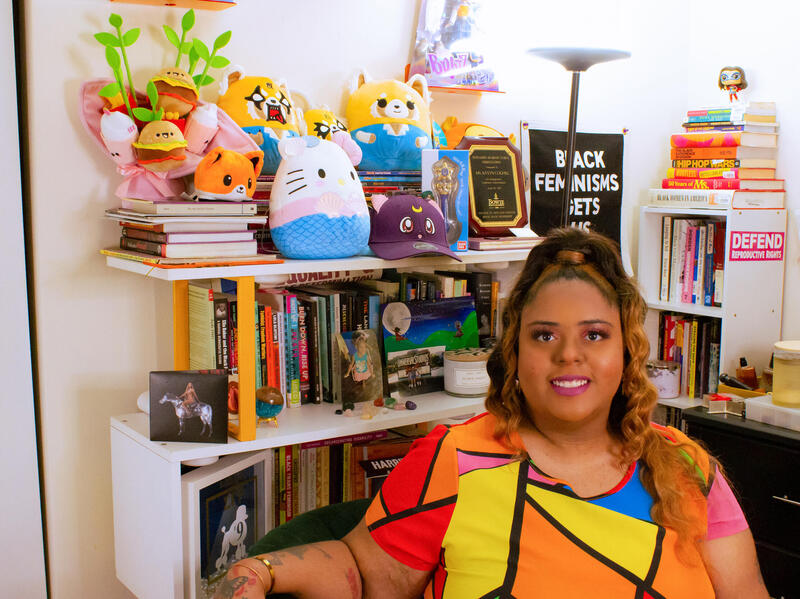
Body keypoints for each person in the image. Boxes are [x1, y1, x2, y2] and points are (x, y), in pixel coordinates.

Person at [214, 228, 768, 599]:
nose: (568, 354)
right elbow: (362, 570)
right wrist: (259, 570)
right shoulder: (455, 459)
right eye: (544, 334)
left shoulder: (687, 468)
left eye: (594, 335)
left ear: (626, 352)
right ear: (516, 354)